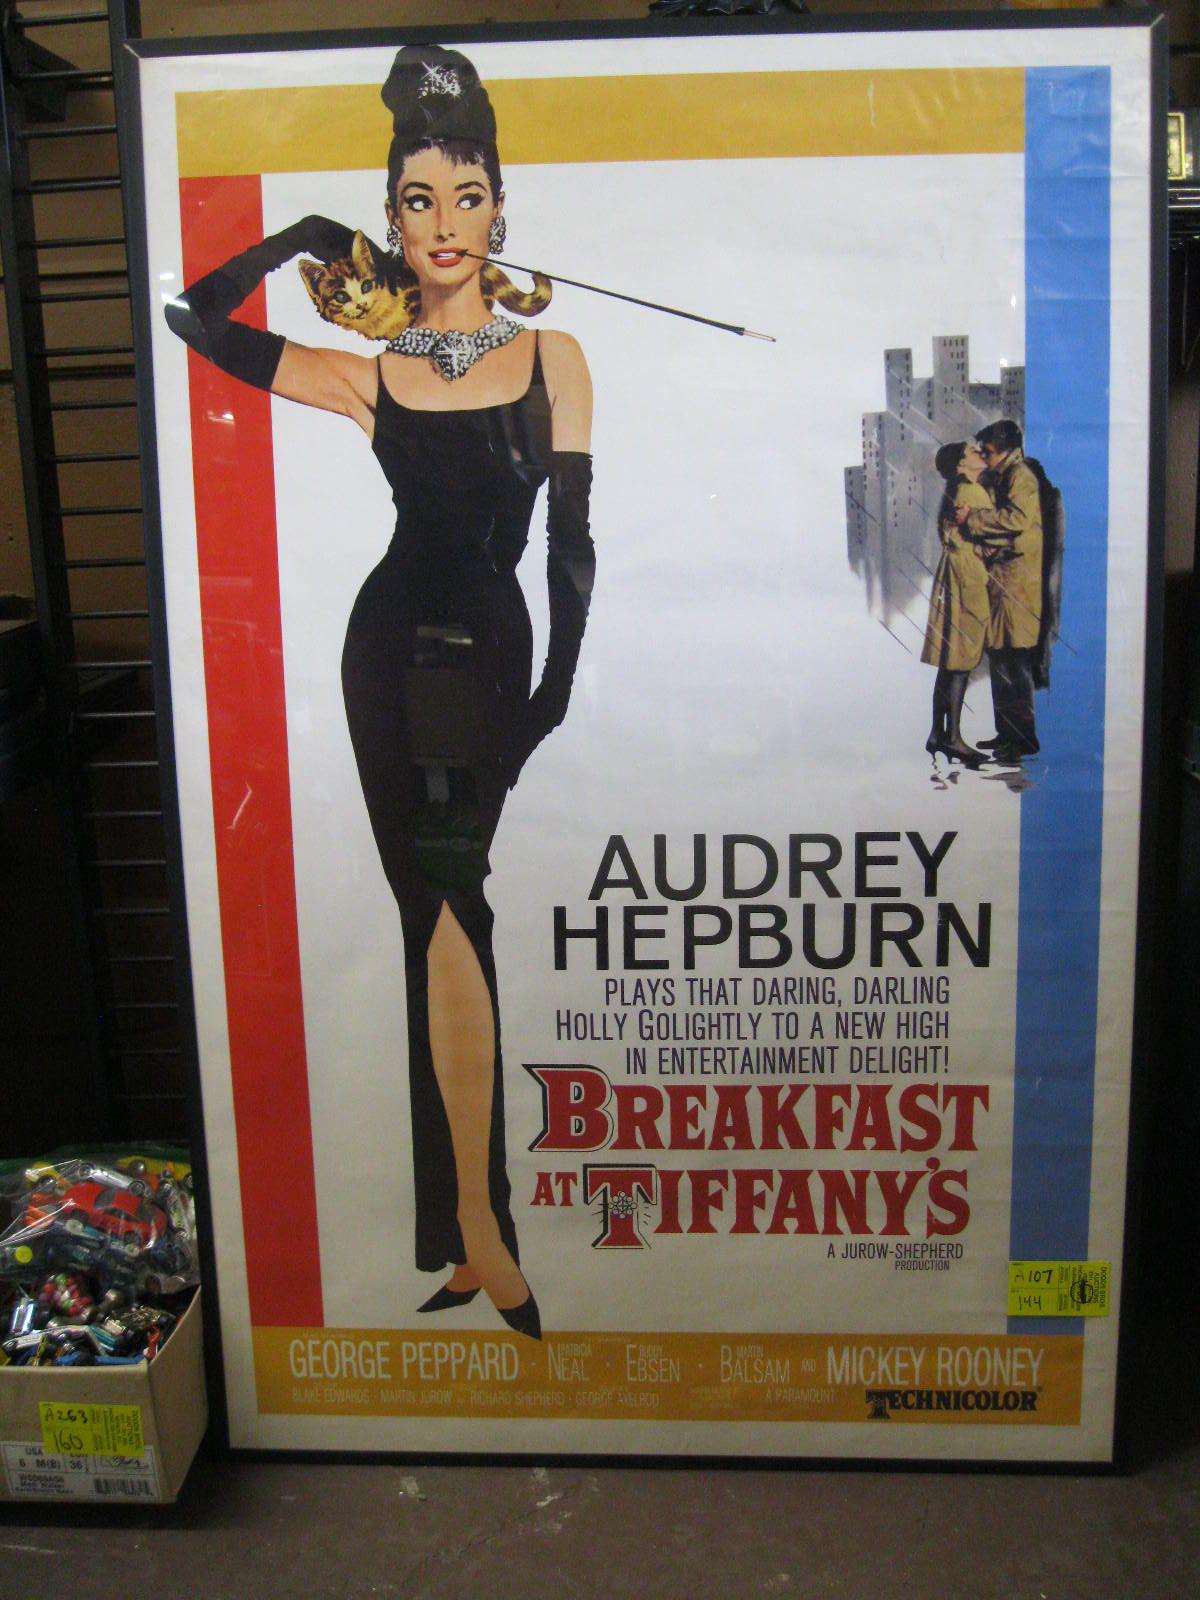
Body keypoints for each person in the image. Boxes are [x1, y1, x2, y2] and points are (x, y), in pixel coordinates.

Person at [165, 44, 596, 1340]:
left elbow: (572, 544)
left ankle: (474, 1227)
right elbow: (195, 319)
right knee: (435, 914)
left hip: (487, 653)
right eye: (418, 200)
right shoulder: (370, 371)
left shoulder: (555, 356)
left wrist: (555, 691)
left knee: (455, 909)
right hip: (387, 650)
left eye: (467, 195)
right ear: (392, 221)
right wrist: (299, 234)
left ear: (500, 211)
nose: (444, 222)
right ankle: (470, 1234)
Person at [955, 419, 1043, 762]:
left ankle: (1022, 739)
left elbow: (1016, 520)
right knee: (1001, 659)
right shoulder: (1002, 476)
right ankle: (1007, 734)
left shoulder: (1021, 477)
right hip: (1003, 581)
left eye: (988, 452)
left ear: (1006, 451)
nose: (984, 457)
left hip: (1017, 585)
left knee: (1014, 663)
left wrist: (973, 520)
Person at [921, 441, 991, 766]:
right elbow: (994, 536)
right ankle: (953, 739)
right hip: (969, 577)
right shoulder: (973, 493)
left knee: (950, 662)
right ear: (962, 465)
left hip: (954, 576)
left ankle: (938, 733)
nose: (980, 453)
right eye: (973, 452)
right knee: (961, 662)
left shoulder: (955, 491)